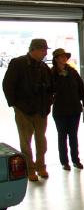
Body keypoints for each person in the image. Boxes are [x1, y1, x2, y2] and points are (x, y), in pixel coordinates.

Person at [2, 38, 53, 181]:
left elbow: (50, 88)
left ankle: (41, 166)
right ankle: (30, 169)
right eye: (43, 50)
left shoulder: (43, 67)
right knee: (26, 141)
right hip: (23, 110)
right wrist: (15, 105)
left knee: (41, 141)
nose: (44, 53)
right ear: (34, 49)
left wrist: (48, 103)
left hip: (41, 110)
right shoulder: (18, 63)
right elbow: (7, 85)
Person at [50, 48, 84, 170]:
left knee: (73, 135)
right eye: (61, 57)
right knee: (62, 136)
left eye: (65, 56)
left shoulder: (72, 71)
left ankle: (75, 160)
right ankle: (64, 162)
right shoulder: (51, 73)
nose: (64, 58)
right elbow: (49, 89)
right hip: (60, 110)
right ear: (56, 59)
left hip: (74, 108)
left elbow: (81, 87)